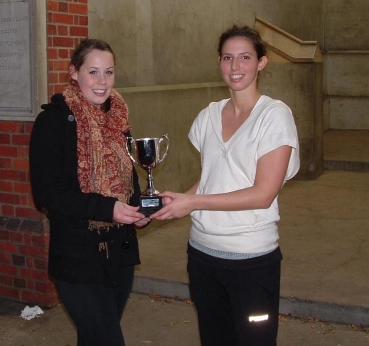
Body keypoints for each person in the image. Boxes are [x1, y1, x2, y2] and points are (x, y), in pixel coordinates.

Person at [150, 25, 300, 346]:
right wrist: (177, 201)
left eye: (245, 57)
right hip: (202, 256)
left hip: (251, 261)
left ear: (262, 63)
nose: (235, 67)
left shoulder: (274, 116)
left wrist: (193, 203)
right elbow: (209, 180)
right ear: (219, 61)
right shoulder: (208, 116)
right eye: (228, 57)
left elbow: (263, 194)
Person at [29, 38, 150, 346]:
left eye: (108, 72)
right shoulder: (53, 121)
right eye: (93, 72)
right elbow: (47, 193)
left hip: (119, 254)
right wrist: (107, 208)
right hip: (77, 256)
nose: (102, 82)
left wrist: (138, 209)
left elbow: (128, 178)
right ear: (74, 72)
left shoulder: (118, 119)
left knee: (93, 338)